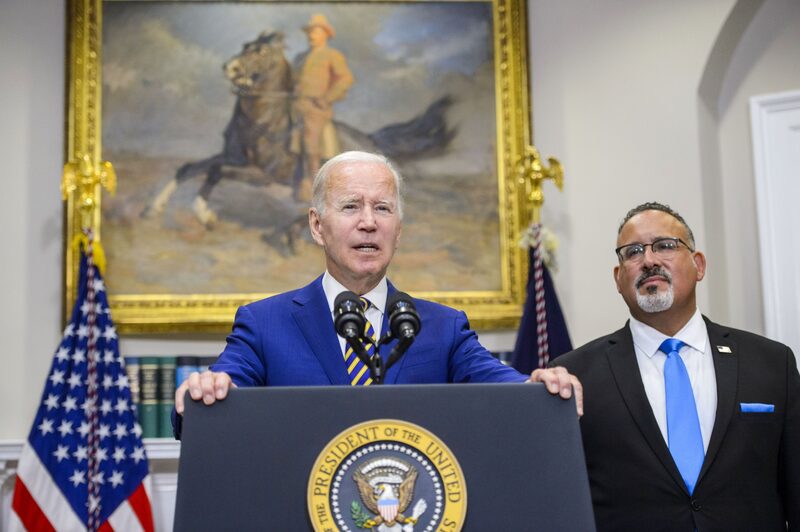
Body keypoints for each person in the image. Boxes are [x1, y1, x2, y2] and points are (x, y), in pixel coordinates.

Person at [174, 151, 582, 434]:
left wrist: (539, 389)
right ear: (318, 226)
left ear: (398, 231)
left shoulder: (442, 327)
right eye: (351, 206)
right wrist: (203, 391)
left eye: (383, 208)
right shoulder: (264, 324)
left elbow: (506, 391)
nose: (369, 222)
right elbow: (219, 394)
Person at [553, 202, 799, 531]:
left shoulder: (771, 363)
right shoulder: (575, 376)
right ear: (618, 277)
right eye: (633, 252)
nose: (649, 260)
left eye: (666, 246)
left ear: (698, 265)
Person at [291, 14, 354, 201]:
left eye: (316, 31)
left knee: (311, 141)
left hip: (317, 108)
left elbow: (346, 79)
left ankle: (313, 185)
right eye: (310, 32)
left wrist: (327, 98)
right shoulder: (300, 58)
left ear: (325, 34)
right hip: (296, 107)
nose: (311, 35)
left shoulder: (332, 55)